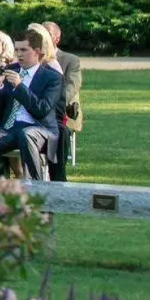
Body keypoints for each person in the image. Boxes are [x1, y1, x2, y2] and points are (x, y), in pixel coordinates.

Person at [0, 26, 64, 181]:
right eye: (17, 50)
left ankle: (35, 187)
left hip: (41, 129)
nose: (19, 54)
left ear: (37, 52)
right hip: (11, 128)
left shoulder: (52, 78)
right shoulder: (9, 71)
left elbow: (41, 110)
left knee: (26, 134)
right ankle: (0, 190)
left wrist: (20, 87)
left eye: (24, 50)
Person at [43, 21, 82, 181]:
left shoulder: (70, 60)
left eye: (46, 36)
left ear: (56, 39)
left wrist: (48, 103)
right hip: (37, 113)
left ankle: (57, 179)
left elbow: (71, 88)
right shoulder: (29, 58)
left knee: (59, 132)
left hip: (62, 113)